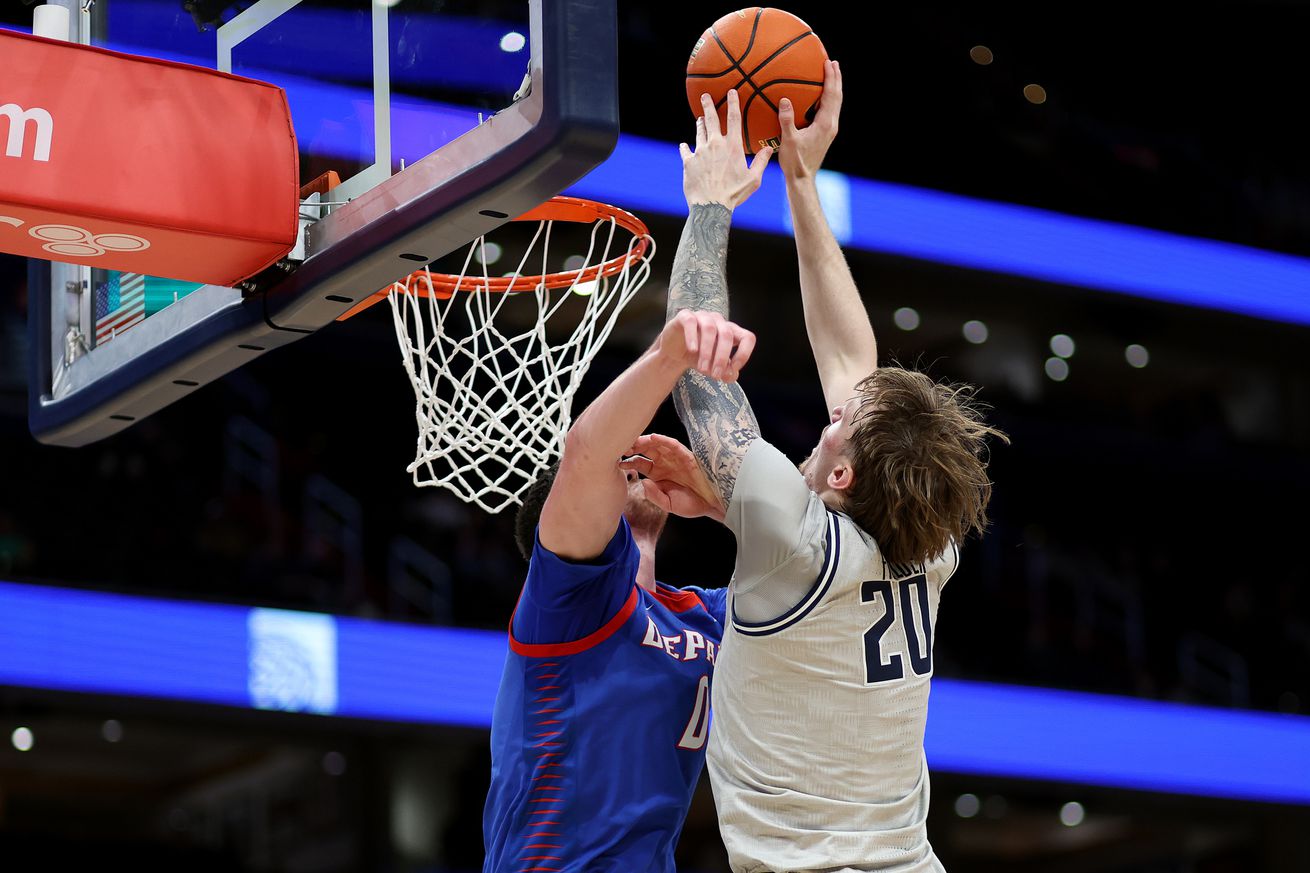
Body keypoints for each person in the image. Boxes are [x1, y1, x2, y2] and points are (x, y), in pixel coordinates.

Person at [652, 67, 1009, 872]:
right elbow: (852, 359)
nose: (831, 410)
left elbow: (695, 366)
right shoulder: (931, 543)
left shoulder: (796, 534)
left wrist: (710, 205)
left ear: (844, 477)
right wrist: (801, 182)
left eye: (840, 423)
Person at [481, 304, 761, 871]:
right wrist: (667, 356)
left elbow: (807, 572)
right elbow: (586, 454)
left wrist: (723, 506)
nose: (630, 462)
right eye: (618, 471)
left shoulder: (703, 614)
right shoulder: (569, 600)